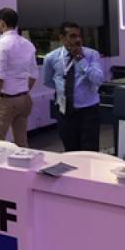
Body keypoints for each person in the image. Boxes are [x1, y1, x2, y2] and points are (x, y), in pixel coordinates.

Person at [42, 21, 105, 152]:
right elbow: (48, 81)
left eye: (79, 36)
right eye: (72, 36)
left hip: (88, 110)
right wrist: (63, 90)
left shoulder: (91, 55)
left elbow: (98, 80)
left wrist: (81, 60)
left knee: (90, 152)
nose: (77, 40)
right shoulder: (51, 58)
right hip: (65, 112)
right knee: (71, 151)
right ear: (62, 38)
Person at [0, 8, 38, 147]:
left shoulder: (2, 44)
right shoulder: (27, 44)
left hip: (6, 100)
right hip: (24, 99)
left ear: (2, 23)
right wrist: (24, 91)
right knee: (22, 142)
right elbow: (34, 74)